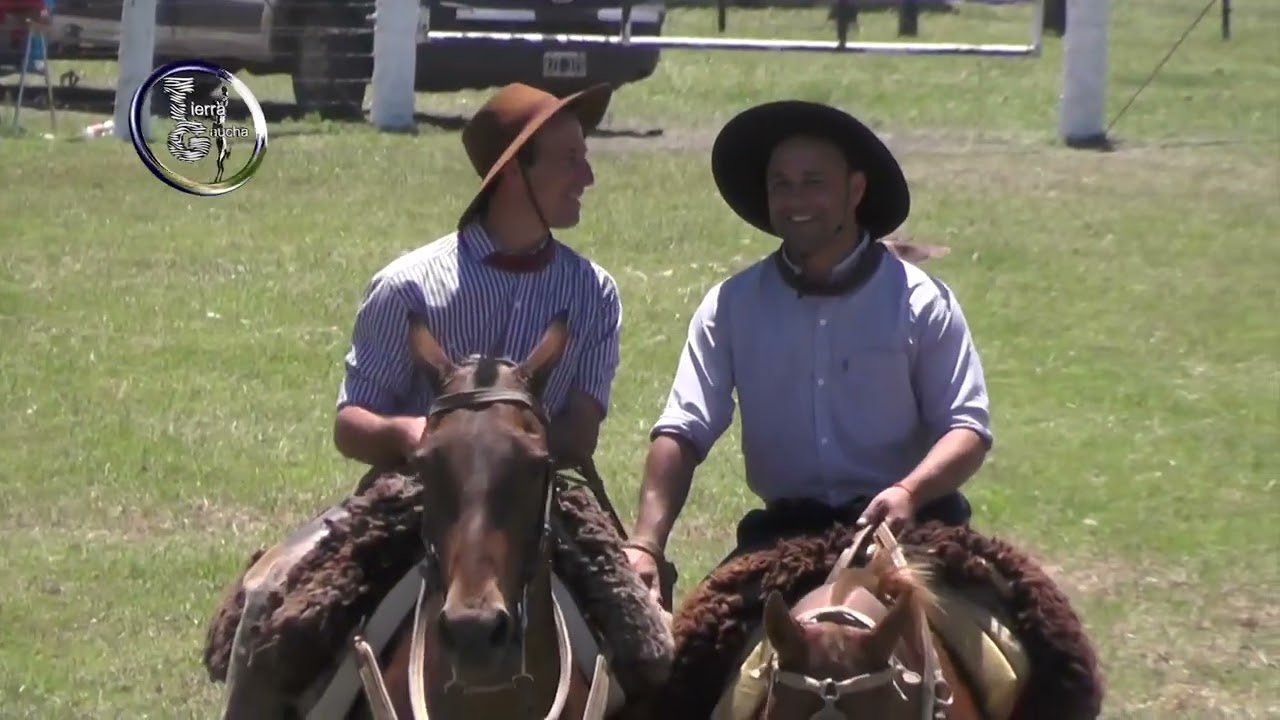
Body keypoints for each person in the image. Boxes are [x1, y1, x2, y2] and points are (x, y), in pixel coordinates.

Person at [621, 100, 993, 608]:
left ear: (854, 191)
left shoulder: (921, 301)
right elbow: (682, 431)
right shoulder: (731, 305)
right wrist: (645, 544)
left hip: (914, 528)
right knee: (689, 665)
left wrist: (909, 491)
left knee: (1029, 642)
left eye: (814, 182)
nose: (797, 199)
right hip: (784, 539)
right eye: (782, 184)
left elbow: (966, 428)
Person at [333, 82, 623, 475]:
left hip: (537, 501)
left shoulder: (594, 292)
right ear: (514, 171)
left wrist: (502, 447)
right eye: (570, 159)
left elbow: (581, 432)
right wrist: (406, 432)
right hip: (422, 497)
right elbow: (351, 425)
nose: (587, 177)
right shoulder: (407, 288)